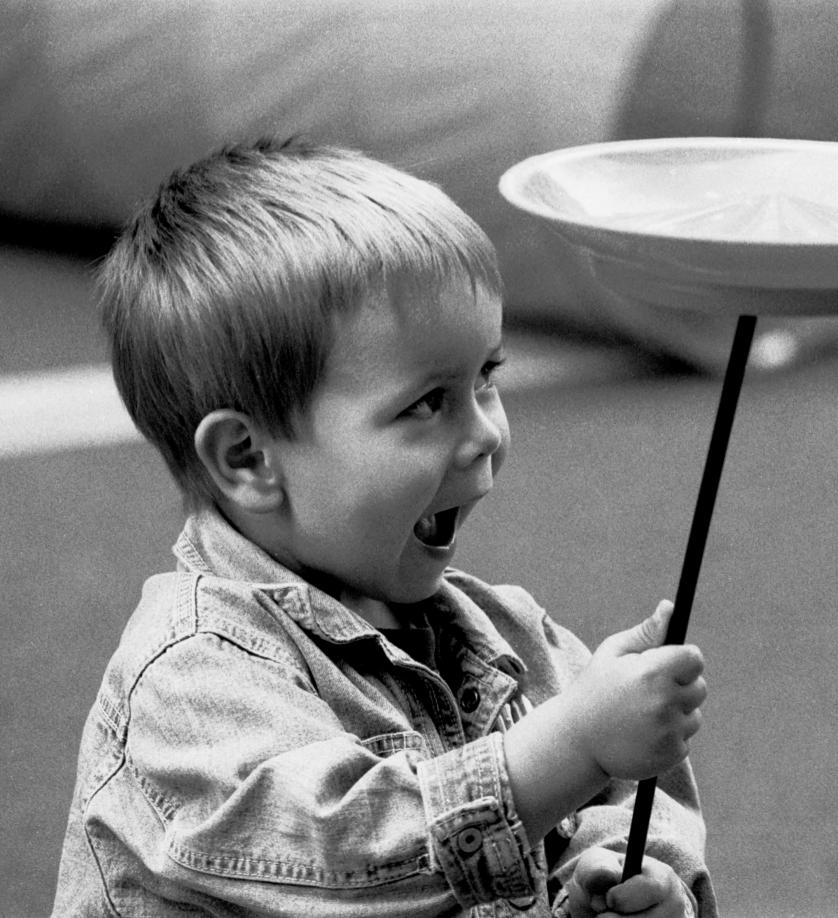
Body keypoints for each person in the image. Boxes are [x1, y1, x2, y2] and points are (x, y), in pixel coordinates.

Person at [52, 138, 714, 918]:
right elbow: (342, 854)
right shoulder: (188, 679)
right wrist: (572, 745)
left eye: (486, 379)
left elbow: (635, 806)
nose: (486, 434)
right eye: (427, 403)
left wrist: (633, 881)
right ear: (248, 458)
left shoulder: (515, 638)